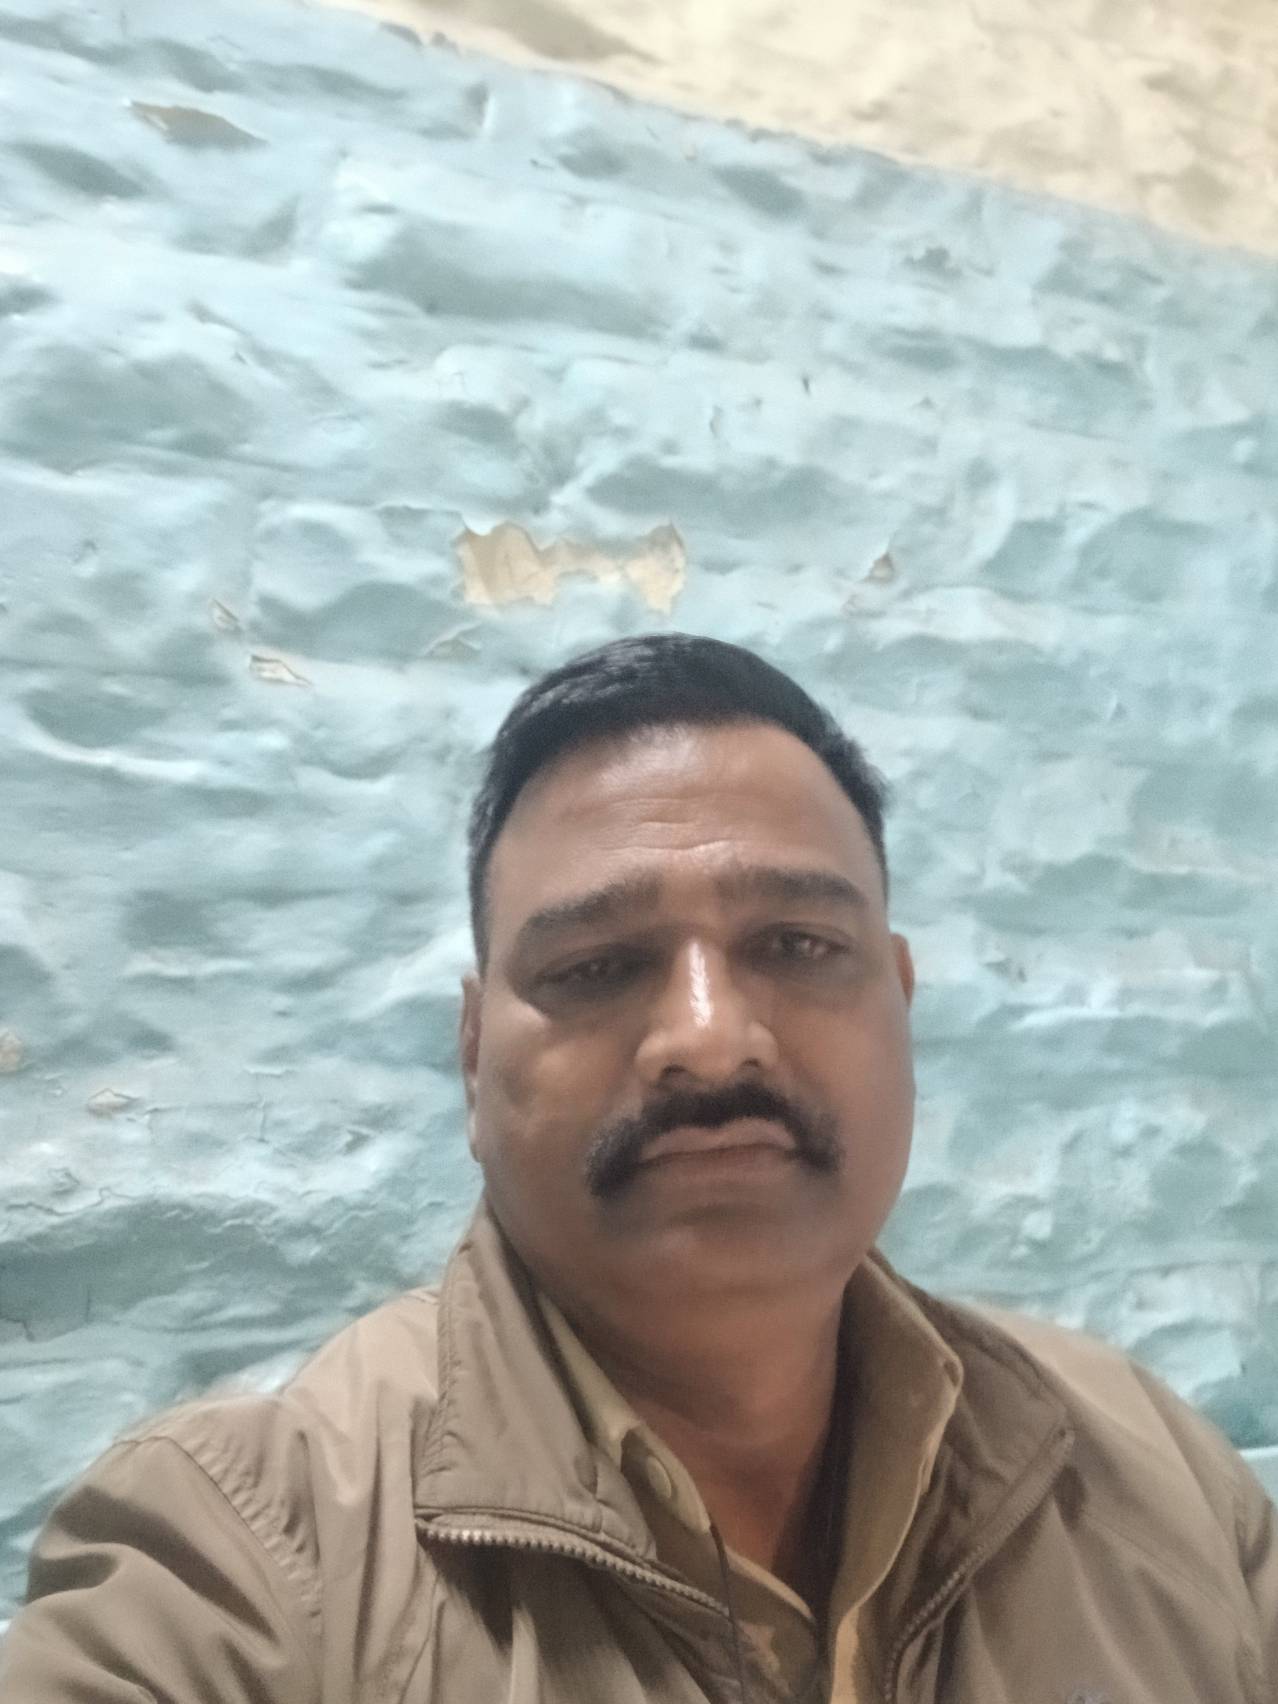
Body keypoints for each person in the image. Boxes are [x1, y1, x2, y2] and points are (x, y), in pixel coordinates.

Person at [1, 634, 1274, 1704]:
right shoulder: (238, 1559)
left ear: (901, 1003)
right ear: (472, 1059)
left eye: (797, 943)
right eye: (598, 966)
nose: (709, 1038)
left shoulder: (1158, 1473)